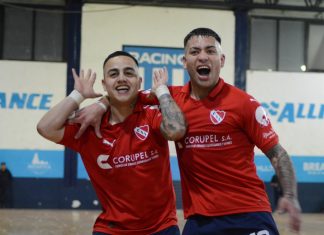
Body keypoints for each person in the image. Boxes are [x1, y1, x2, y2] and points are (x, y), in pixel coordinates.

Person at [73, 28, 301, 234]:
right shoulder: (169, 98)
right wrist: (101, 103)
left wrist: (290, 195)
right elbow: (125, 95)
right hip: (200, 220)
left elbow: (278, 154)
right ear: (184, 61)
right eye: (195, 51)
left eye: (210, 51)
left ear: (221, 59)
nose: (202, 56)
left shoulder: (244, 104)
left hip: (249, 213)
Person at [37, 51, 186, 235]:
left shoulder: (152, 112)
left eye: (129, 73)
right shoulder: (88, 126)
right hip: (111, 229)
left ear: (139, 82)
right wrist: (78, 95)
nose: (122, 78)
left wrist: (161, 91)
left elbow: (176, 129)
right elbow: (45, 128)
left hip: (161, 227)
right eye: (113, 74)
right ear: (104, 84)